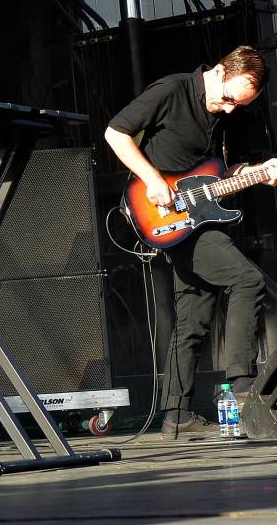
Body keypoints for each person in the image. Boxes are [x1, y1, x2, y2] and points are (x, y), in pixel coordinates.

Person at [104, 44, 277, 440]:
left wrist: (258, 172)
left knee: (193, 316)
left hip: (199, 217)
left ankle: (177, 416)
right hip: (162, 214)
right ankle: (244, 388)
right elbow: (115, 132)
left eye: (239, 105)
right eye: (230, 98)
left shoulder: (225, 116)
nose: (230, 109)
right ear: (219, 71)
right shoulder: (172, 91)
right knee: (247, 281)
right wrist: (150, 180)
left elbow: (221, 171)